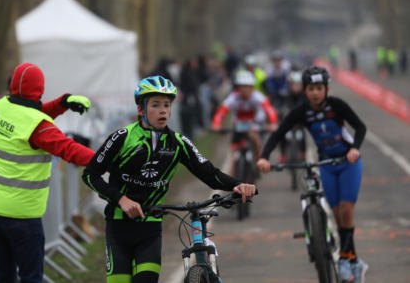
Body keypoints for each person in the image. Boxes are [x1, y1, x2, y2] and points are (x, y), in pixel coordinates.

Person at [82, 75, 257, 283]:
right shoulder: (121, 137)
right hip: (119, 228)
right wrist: (121, 199)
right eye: (155, 105)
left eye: (167, 105)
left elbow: (209, 173)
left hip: (150, 229)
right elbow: (90, 175)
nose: (163, 110)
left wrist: (238, 184)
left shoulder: (177, 142)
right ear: (141, 109)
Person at [0, 63, 96, 283]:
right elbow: (67, 148)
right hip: (22, 215)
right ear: (39, 91)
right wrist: (105, 160)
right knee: (31, 277)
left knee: (2, 274)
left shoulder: (0, 107)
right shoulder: (38, 127)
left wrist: (61, 104)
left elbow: (29, 115)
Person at [256, 66, 368, 283]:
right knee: (336, 214)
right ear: (305, 91)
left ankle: (345, 259)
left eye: (319, 88)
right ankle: (355, 261)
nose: (315, 92)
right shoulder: (301, 112)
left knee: (346, 210)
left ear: (326, 88)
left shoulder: (337, 106)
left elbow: (361, 127)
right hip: (326, 165)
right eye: (310, 88)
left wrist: (355, 148)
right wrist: (264, 157)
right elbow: (279, 133)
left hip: (348, 163)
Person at [212, 70, 278, 177]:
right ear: (238, 87)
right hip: (238, 125)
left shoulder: (257, 96)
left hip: (254, 124)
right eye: (242, 86)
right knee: (233, 153)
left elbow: (269, 110)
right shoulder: (233, 97)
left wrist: (273, 123)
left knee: (255, 138)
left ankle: (258, 161)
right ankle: (233, 179)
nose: (244, 89)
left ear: (251, 87)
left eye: (247, 86)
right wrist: (216, 124)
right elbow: (221, 111)